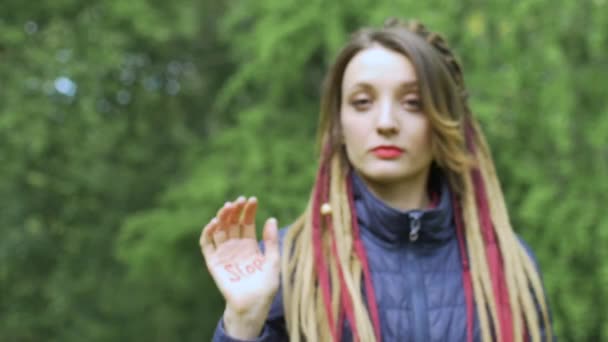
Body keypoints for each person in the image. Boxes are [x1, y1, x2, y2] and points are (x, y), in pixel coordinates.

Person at [200, 18, 554, 342]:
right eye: (363, 102)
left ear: (445, 119)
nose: (386, 122)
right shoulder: (288, 264)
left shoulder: (510, 264)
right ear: (338, 124)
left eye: (412, 102)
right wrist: (243, 322)